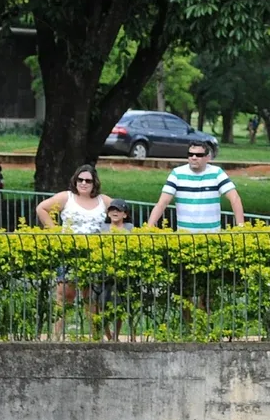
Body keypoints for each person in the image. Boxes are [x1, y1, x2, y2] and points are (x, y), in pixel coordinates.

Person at [36, 163, 110, 336]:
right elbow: (42, 208)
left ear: (94, 183)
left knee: (91, 298)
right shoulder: (66, 197)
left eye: (88, 180)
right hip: (69, 252)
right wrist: (55, 232)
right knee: (64, 295)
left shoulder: (103, 200)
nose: (83, 183)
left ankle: (95, 336)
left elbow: (121, 214)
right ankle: (56, 335)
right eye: (80, 179)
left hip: (93, 254)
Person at [144, 142, 244, 231]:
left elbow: (235, 198)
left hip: (212, 236)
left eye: (199, 155)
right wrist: (149, 228)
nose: (194, 157)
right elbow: (162, 203)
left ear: (207, 157)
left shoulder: (217, 173)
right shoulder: (177, 174)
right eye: (190, 154)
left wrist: (241, 228)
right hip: (185, 236)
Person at [97, 199, 135, 341]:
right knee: (102, 303)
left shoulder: (130, 228)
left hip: (123, 271)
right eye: (112, 209)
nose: (114, 212)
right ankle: (107, 335)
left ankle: (117, 335)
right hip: (105, 271)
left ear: (125, 214)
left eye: (118, 210)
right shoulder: (103, 228)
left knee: (121, 304)